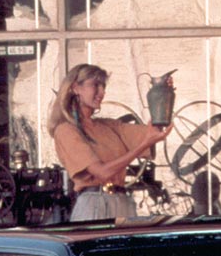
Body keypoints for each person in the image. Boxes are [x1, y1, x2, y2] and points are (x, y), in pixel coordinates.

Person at [47, 63, 168, 222]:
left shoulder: (109, 126)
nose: (102, 92)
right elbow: (102, 172)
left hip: (122, 202)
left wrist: (162, 94)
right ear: (76, 88)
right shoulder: (66, 131)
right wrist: (143, 146)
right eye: (95, 85)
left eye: (103, 86)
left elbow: (155, 131)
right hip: (94, 204)